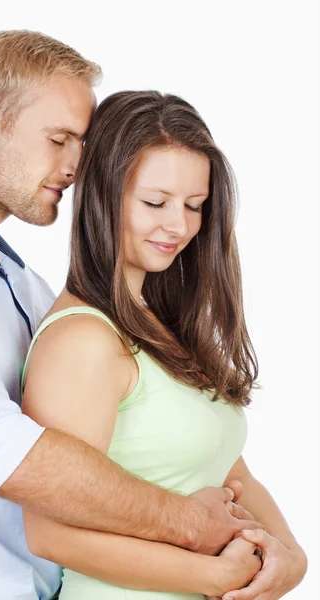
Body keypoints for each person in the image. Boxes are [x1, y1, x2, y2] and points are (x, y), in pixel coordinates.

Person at [0, 29, 263, 600]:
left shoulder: (23, 286)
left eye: (81, 144)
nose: (75, 167)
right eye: (59, 139)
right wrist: (190, 525)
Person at [20, 91, 308, 600]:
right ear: (102, 195)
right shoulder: (81, 341)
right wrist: (212, 576)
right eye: (155, 202)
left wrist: (291, 558)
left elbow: (228, 469)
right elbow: (48, 533)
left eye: (194, 206)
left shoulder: (159, 328)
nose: (180, 226)